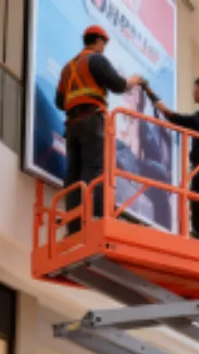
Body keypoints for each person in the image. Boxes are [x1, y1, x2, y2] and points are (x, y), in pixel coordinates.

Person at [55, 26, 144, 233]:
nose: (104, 48)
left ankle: (74, 224)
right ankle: (93, 216)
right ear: (99, 41)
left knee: (73, 174)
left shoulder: (68, 67)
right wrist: (134, 81)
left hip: (72, 123)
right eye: (104, 44)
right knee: (94, 169)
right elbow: (119, 84)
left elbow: (60, 101)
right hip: (91, 120)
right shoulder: (96, 59)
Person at [150, 77, 199, 246]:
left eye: (197, 88)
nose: (194, 92)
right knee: (198, 205)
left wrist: (169, 114)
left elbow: (195, 123)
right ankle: (198, 238)